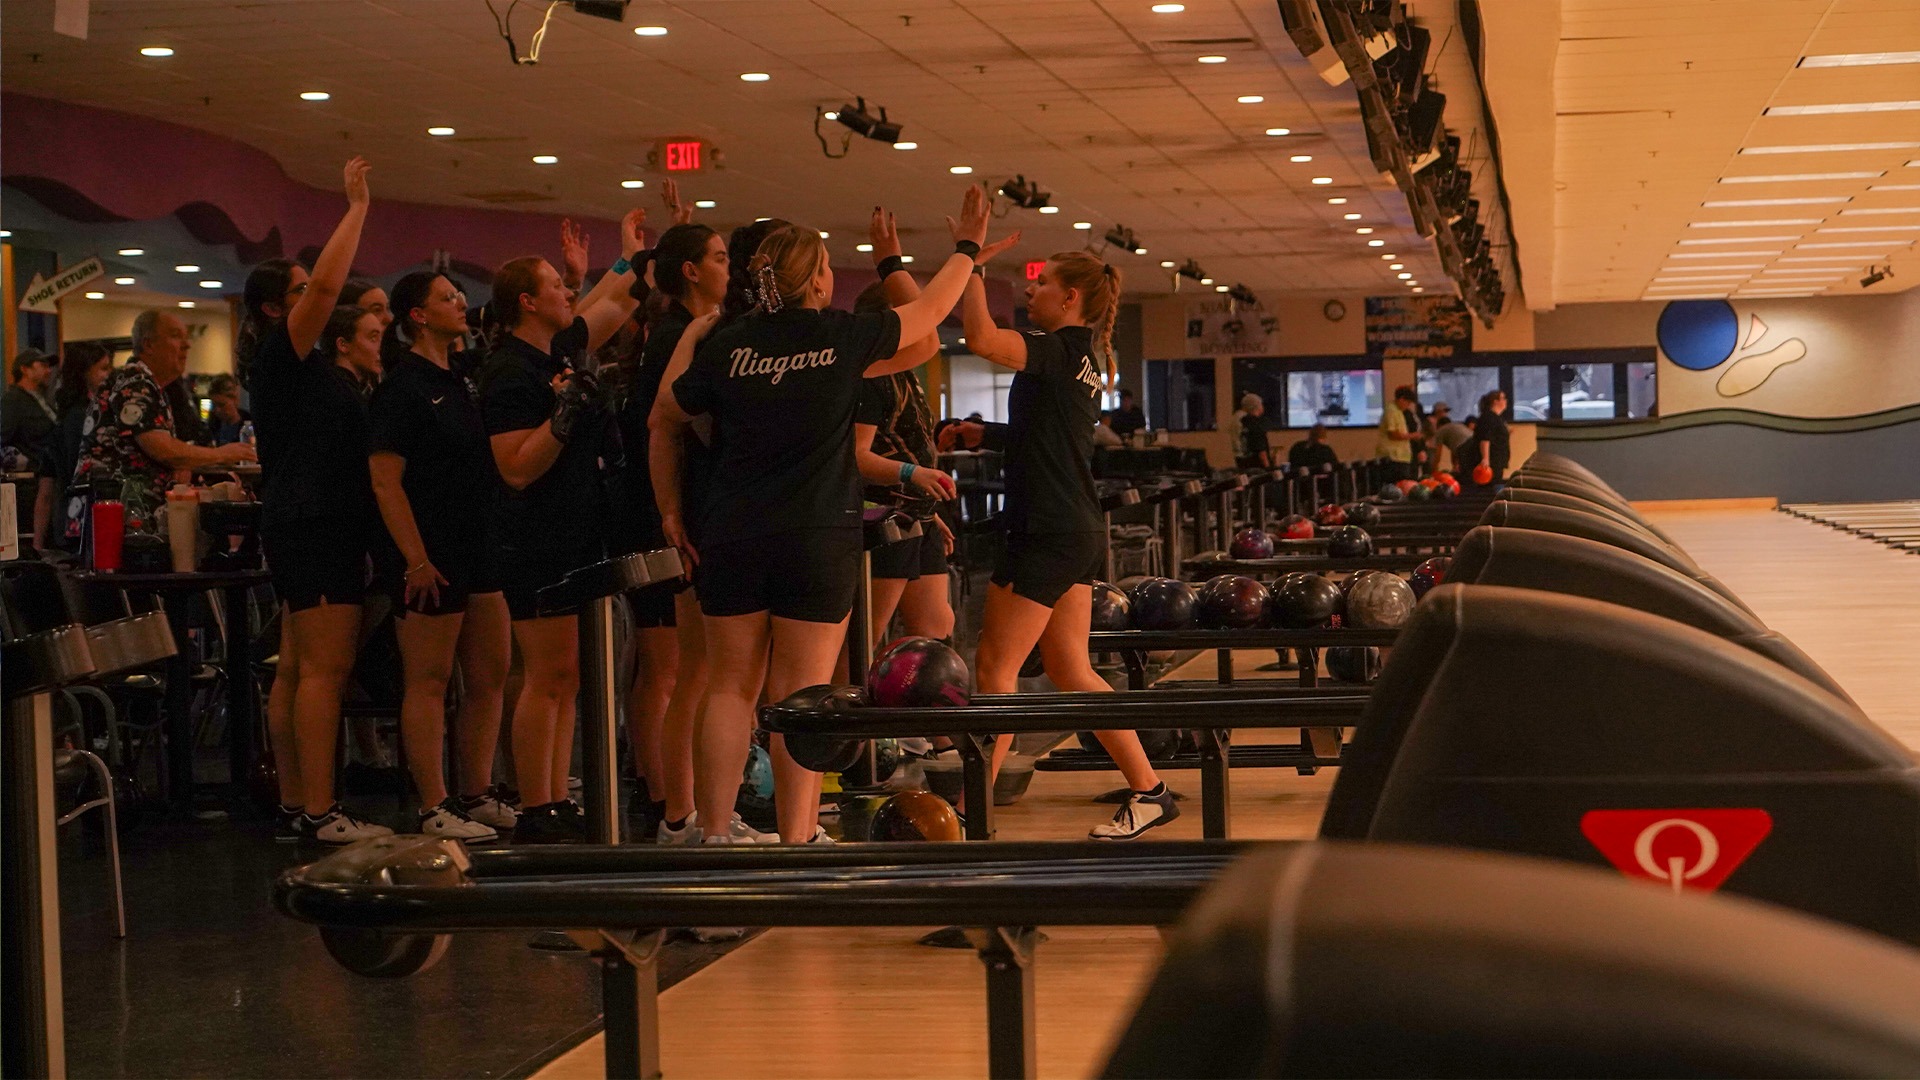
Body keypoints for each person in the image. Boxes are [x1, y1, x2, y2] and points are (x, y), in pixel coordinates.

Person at [650, 193, 981, 845]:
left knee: (728, 689)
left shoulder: (726, 342)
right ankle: (797, 840)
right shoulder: (841, 335)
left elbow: (665, 416)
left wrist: (668, 511)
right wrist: (966, 247)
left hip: (732, 533)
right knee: (802, 695)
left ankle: (716, 836)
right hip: (816, 535)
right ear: (819, 277)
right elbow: (933, 313)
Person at [959, 235, 1174, 839]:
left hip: (1048, 530)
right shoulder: (1081, 357)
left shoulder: (1053, 350)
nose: (1031, 288)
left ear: (1070, 297)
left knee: (995, 671)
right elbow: (1054, 435)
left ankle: (975, 819)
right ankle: (1150, 791)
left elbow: (978, 339)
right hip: (1073, 526)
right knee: (1070, 668)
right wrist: (991, 437)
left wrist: (970, 259)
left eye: (1042, 282)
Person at [479, 206, 647, 843]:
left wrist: (630, 257)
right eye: (556, 286)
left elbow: (614, 305)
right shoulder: (508, 371)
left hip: (577, 528)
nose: (569, 293)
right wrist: (566, 413)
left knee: (567, 676)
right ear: (526, 302)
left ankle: (552, 797)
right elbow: (516, 469)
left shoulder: (555, 350)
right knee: (546, 676)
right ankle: (534, 805)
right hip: (535, 536)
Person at [244, 156, 388, 846]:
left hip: (302, 518)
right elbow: (330, 284)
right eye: (297, 292)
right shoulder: (284, 355)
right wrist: (356, 209)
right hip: (314, 520)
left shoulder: (300, 369)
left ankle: (301, 802)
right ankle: (322, 810)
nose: (314, 298)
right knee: (323, 670)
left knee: (300, 666)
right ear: (277, 308)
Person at [368, 271, 518, 842]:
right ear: (418, 315)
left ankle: (475, 791)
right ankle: (434, 803)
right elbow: (386, 483)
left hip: (478, 545)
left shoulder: (459, 377)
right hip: (430, 554)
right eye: (447, 297)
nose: (461, 303)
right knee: (429, 681)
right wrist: (414, 559)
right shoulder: (401, 387)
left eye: (460, 293)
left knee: (491, 673)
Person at [608, 217, 728, 843]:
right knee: (677, 671)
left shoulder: (687, 331)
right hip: (668, 514)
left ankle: (683, 803)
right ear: (691, 271)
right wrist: (673, 516)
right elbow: (669, 430)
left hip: (674, 512)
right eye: (718, 257)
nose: (728, 267)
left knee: (689, 670)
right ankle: (673, 805)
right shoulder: (680, 335)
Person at [66, 311, 255, 541]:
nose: (186, 345)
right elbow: (162, 449)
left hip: (119, 519)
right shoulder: (136, 382)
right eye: (176, 336)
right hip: (111, 523)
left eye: (186, 337)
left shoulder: (147, 384)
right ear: (149, 344)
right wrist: (221, 455)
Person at [850, 274, 958, 655]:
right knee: (868, 633)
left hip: (918, 514)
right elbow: (858, 456)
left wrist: (929, 507)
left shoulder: (905, 374)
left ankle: (919, 707)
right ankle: (850, 705)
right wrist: (912, 474)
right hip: (883, 514)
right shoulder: (870, 377)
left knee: (935, 627)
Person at [32, 343, 111, 552]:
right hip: (91, 524)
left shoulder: (64, 418)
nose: (108, 375)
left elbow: (46, 490)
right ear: (85, 371)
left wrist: (37, 546)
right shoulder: (86, 418)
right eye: (103, 368)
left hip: (67, 525)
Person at [3, 348, 58, 471]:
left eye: (49, 367)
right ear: (25, 370)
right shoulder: (14, 401)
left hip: (52, 474)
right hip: (34, 482)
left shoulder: (43, 400)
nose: (49, 371)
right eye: (43, 366)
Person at [1375, 384, 1417, 483]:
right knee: (1398, 487)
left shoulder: (1398, 411)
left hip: (1400, 457)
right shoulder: (1391, 411)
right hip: (1393, 457)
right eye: (1408, 402)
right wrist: (1413, 435)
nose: (1408, 405)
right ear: (1401, 399)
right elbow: (1393, 434)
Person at [1474, 390, 1512, 483]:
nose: (1506, 401)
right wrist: (1485, 458)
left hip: (1497, 460)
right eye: (1503, 398)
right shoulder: (1489, 417)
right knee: (1490, 486)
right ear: (1495, 401)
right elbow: (1485, 439)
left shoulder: (1496, 418)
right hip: (1492, 460)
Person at [206, 374, 250, 446]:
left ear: (235, 400)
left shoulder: (249, 425)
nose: (217, 410)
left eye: (221, 405)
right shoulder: (213, 423)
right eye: (213, 405)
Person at [1430, 401, 1471, 476]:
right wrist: (1454, 466)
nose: (1446, 414)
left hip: (1464, 447)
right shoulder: (1457, 426)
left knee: (1465, 473)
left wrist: (1434, 471)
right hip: (1473, 444)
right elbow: (1454, 450)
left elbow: (1438, 454)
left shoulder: (1441, 430)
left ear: (1438, 426)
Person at [1232, 392, 1272, 468]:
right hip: (1257, 465)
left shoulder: (1238, 420)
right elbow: (1260, 450)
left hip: (1242, 463)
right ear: (1257, 406)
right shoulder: (1254, 424)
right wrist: (1268, 468)